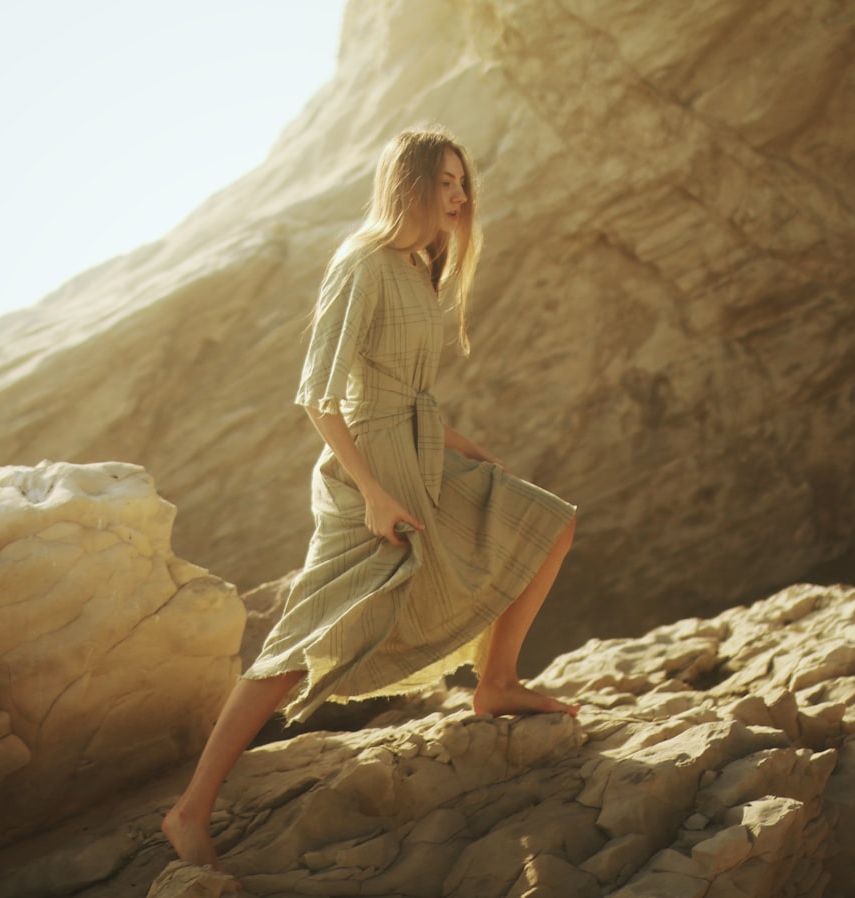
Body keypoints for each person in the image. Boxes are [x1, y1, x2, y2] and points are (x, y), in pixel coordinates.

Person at [163, 126, 579, 872]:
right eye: (446, 181)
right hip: (369, 475)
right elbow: (320, 399)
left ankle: (497, 684)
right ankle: (189, 813)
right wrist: (373, 496)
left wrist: (460, 443)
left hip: (420, 453)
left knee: (547, 525)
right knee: (299, 647)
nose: (460, 196)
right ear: (411, 183)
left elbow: (404, 388)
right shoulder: (360, 262)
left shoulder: (419, 267)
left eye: (463, 183)